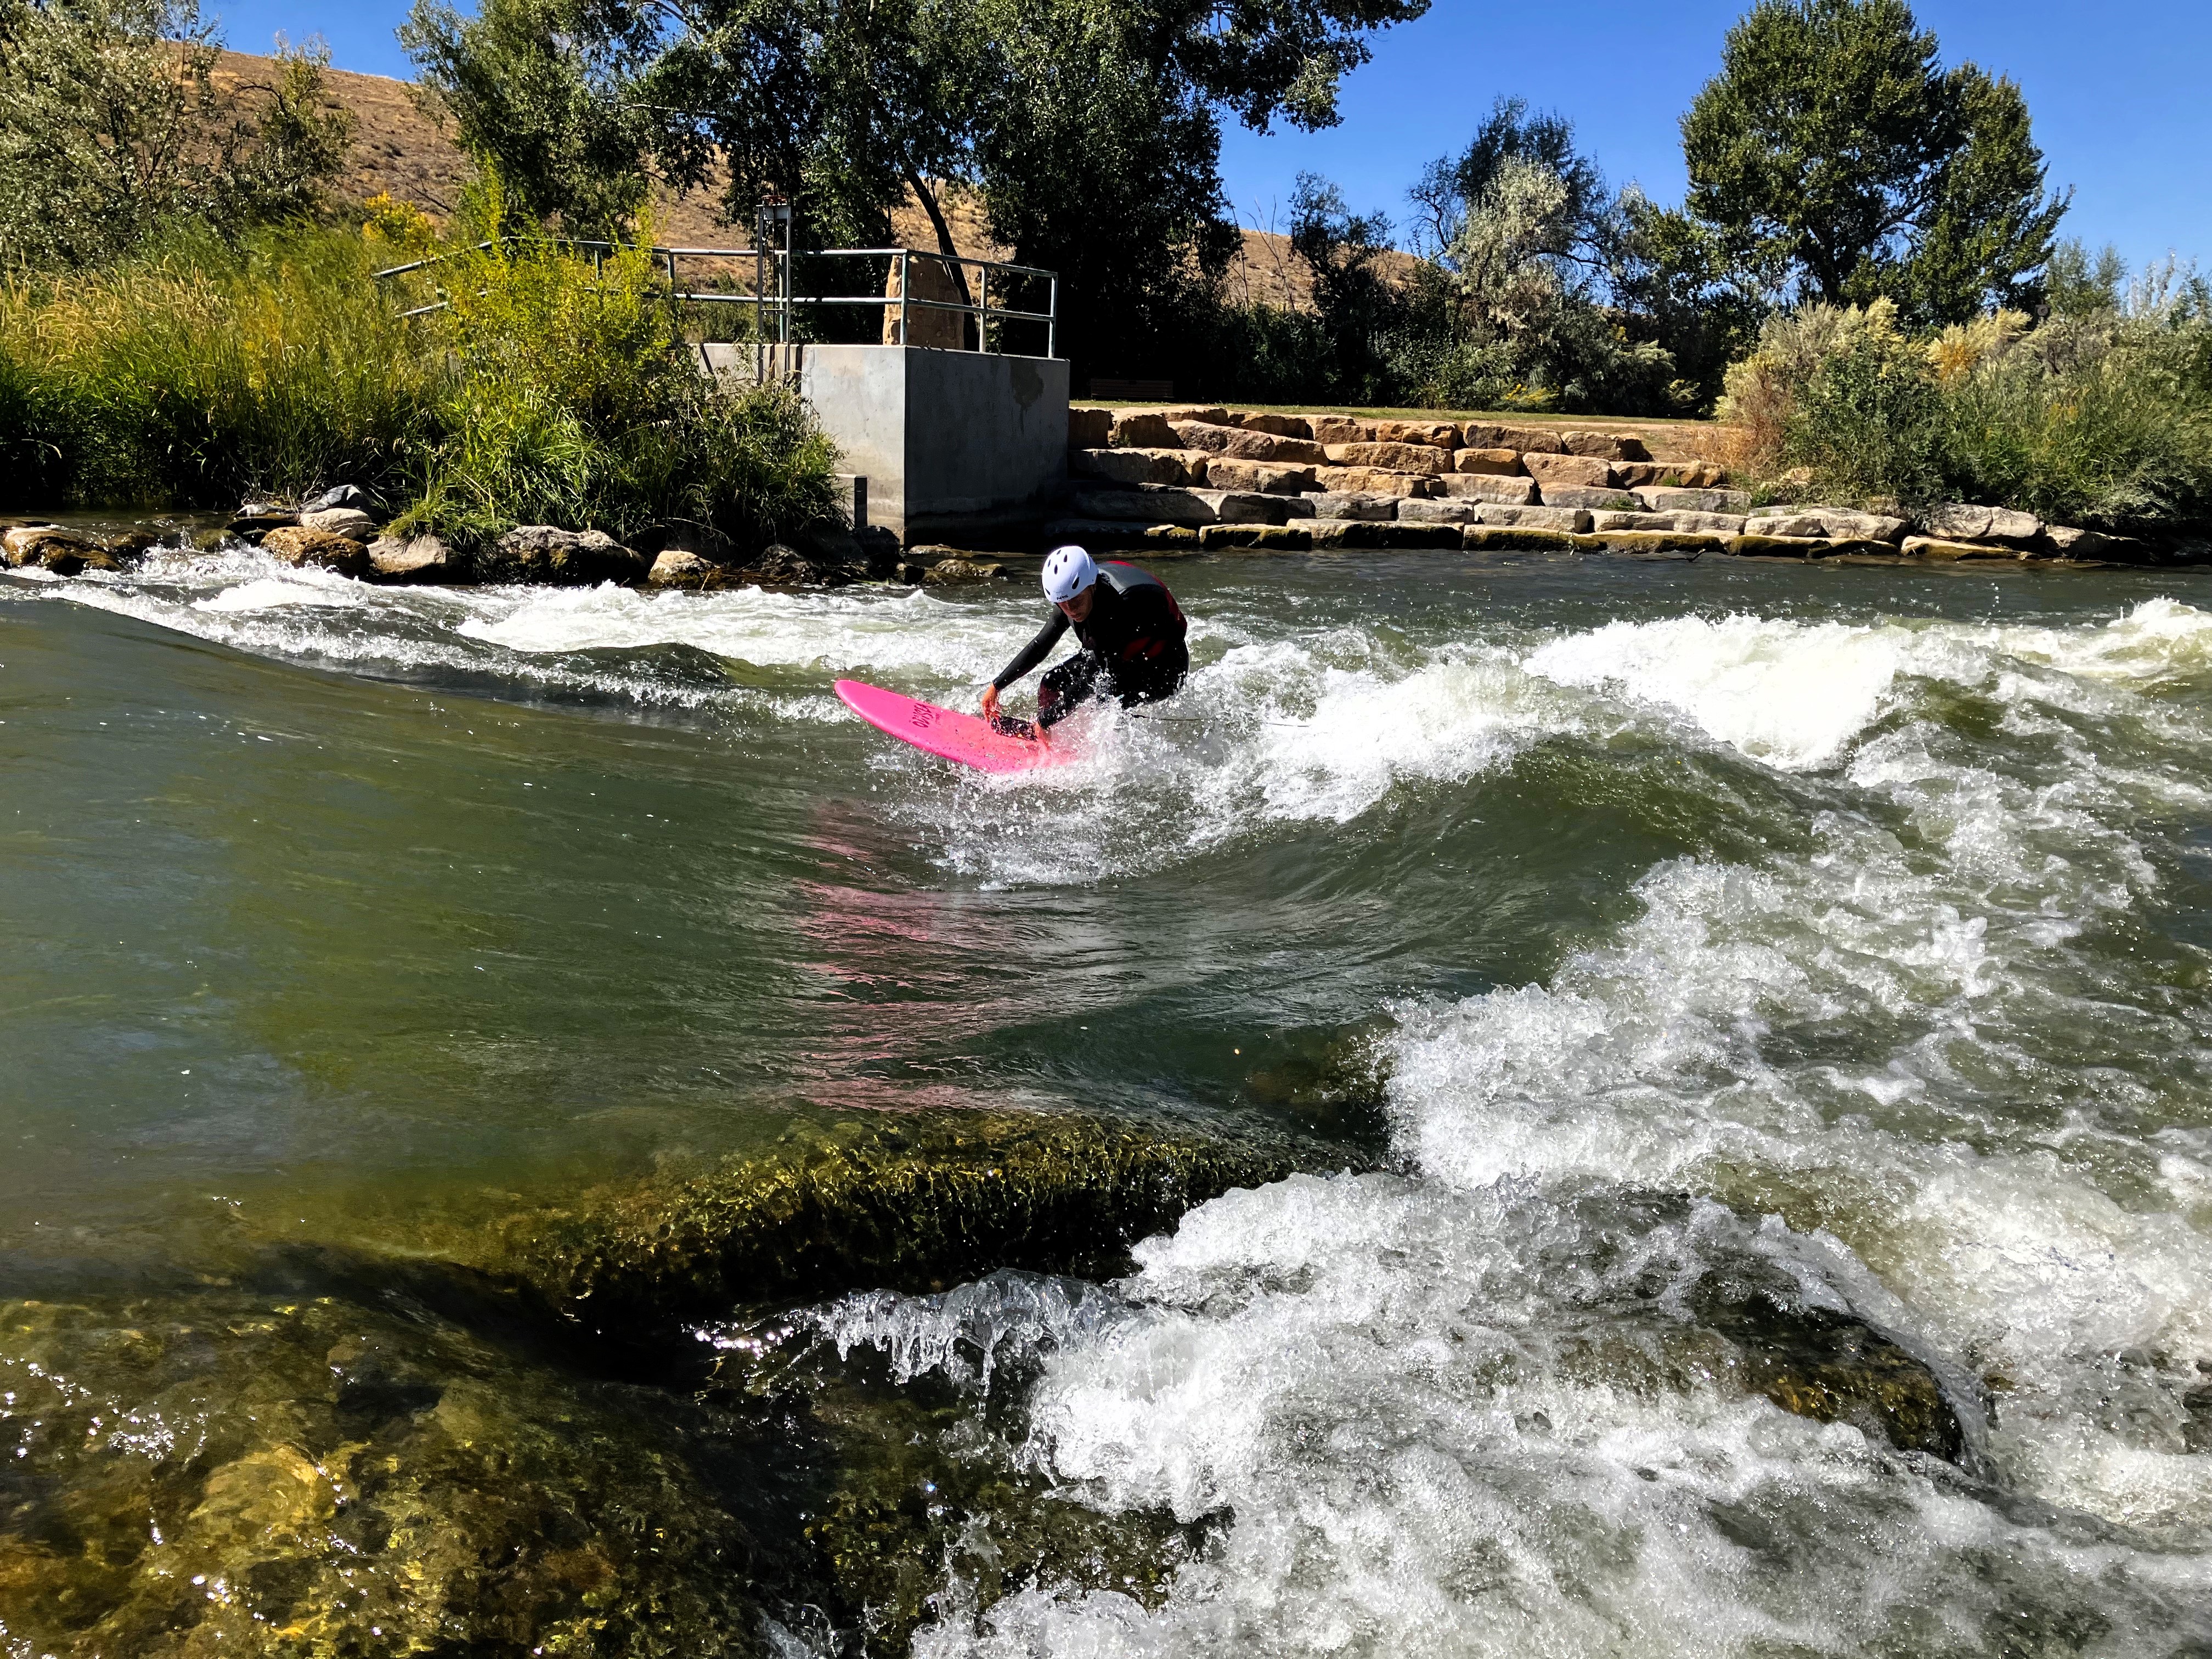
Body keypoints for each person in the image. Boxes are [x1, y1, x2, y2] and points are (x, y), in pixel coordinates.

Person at [980, 546, 1189, 735]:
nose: (1071, 609)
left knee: (1108, 704)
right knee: (1050, 683)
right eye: (1063, 603)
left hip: (1163, 668)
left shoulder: (1119, 607)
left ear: (1092, 586)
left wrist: (1045, 721)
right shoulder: (1073, 593)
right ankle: (1047, 737)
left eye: (1076, 601)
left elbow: (1091, 677)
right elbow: (1040, 645)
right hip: (1121, 653)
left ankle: (1106, 758)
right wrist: (998, 685)